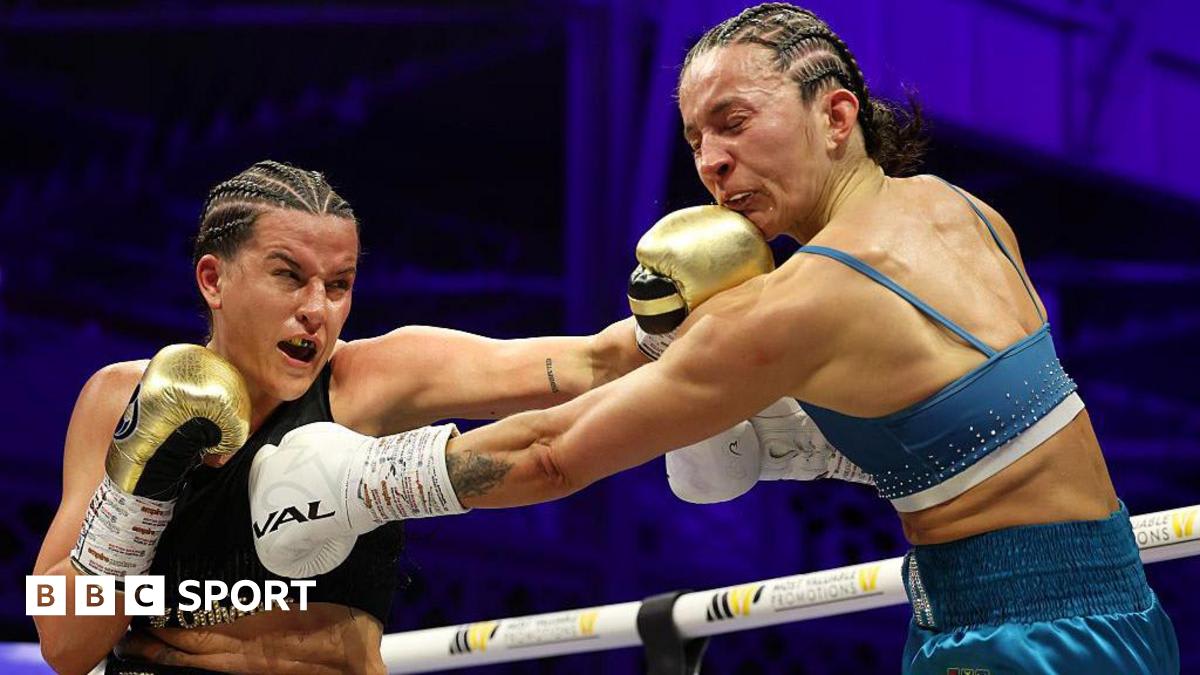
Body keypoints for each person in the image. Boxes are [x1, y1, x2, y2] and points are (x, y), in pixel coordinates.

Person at [267, 4, 1180, 672]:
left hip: (1012, 644)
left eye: (735, 123)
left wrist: (361, 486)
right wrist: (829, 445)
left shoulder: (800, 305)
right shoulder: (964, 213)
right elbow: (989, 415)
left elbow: (554, 455)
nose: (709, 162)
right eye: (697, 137)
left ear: (836, 114)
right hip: (1121, 609)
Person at [31, 159, 651, 675]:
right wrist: (142, 495)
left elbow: (594, 359)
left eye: (339, 284)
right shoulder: (120, 397)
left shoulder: (372, 382)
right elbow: (62, 643)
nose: (316, 310)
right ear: (213, 279)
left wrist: (704, 303)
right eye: (288, 276)